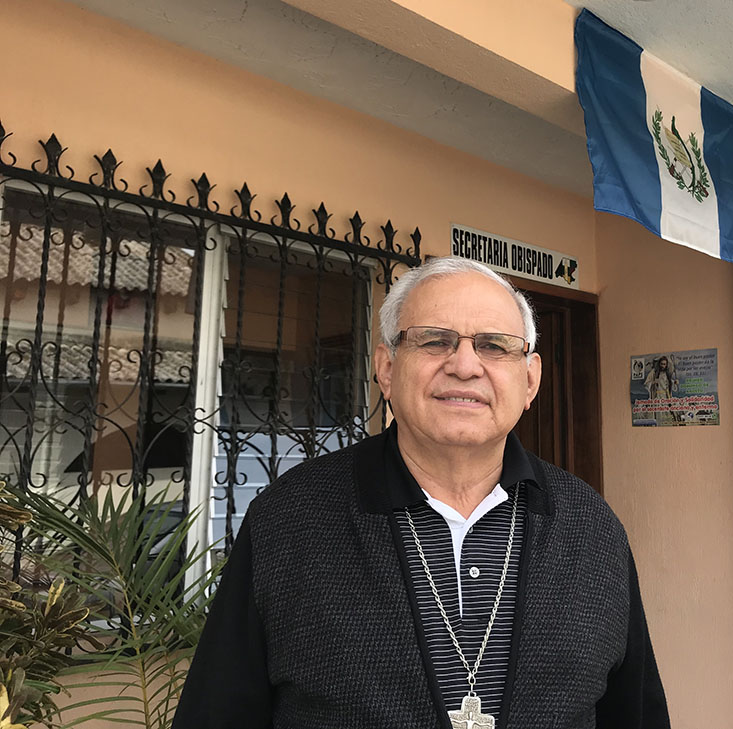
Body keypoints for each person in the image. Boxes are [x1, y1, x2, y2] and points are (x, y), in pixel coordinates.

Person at [172, 256, 669, 729]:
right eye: (435, 341)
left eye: (495, 345)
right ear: (387, 368)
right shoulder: (287, 518)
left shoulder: (592, 526)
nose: (465, 366)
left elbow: (636, 712)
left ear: (531, 378)